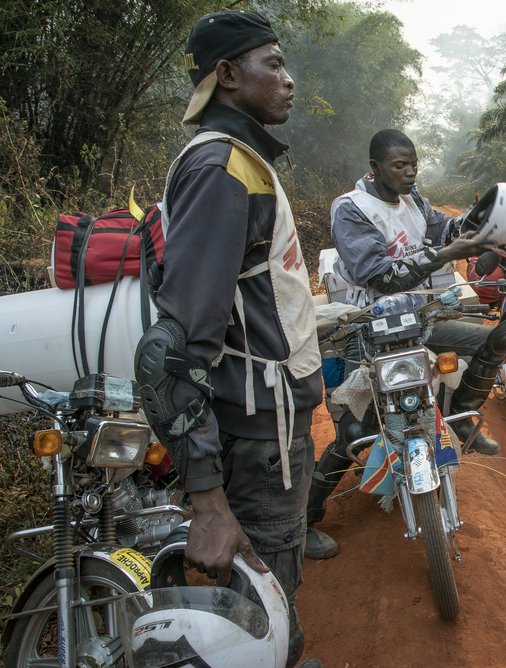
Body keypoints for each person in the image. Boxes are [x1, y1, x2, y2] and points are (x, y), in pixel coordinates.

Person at [136, 10, 322, 667]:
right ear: (227, 75)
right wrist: (210, 504)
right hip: (255, 441)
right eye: (273, 64)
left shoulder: (241, 162)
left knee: (273, 604)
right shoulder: (222, 169)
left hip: (271, 428)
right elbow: (176, 350)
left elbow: (251, 302)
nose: (289, 79)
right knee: (256, 626)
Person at [304, 129, 506, 560]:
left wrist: (483, 219)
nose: (409, 171)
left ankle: (458, 417)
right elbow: (379, 274)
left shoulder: (415, 200)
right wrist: (444, 254)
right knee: (356, 428)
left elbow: (447, 228)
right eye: (400, 165)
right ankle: (303, 521)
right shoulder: (351, 209)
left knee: (501, 336)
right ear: (375, 166)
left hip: (418, 319)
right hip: (365, 326)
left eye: (413, 163)